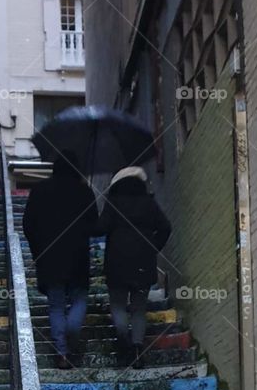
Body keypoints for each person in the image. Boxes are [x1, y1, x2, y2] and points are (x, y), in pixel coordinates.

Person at [23, 154, 99, 368]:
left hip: (49, 257)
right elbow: (95, 225)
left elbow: (28, 225)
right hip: (78, 255)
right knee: (79, 298)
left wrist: (38, 251)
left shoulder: (39, 191)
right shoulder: (84, 191)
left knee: (56, 305)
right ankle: (72, 333)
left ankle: (62, 353)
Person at [101, 166, 171, 367]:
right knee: (139, 308)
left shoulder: (113, 203)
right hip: (143, 263)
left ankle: (124, 342)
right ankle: (138, 349)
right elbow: (166, 227)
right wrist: (152, 248)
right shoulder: (149, 203)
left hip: (116, 263)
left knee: (118, 304)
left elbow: (100, 227)